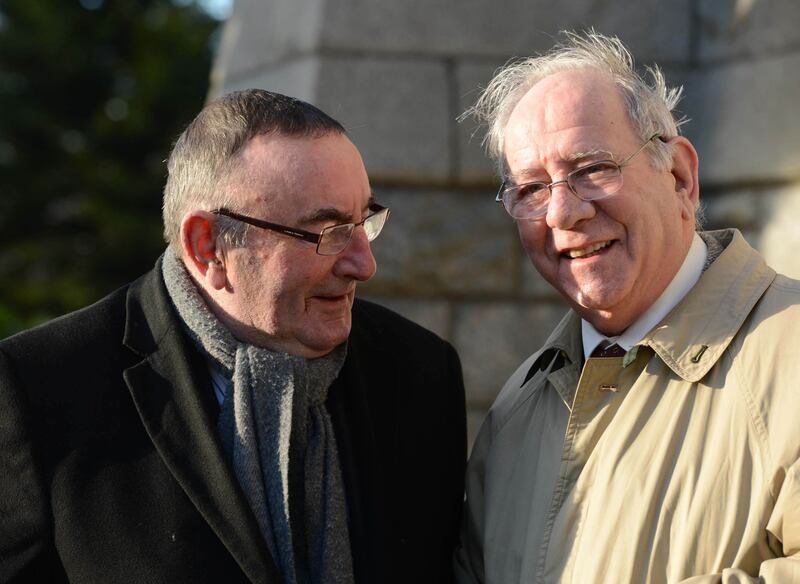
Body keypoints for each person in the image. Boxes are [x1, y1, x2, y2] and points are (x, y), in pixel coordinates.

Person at [0, 89, 466, 584]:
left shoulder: (419, 373)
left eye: (363, 222)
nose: (363, 264)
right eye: (326, 232)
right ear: (208, 246)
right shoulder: (38, 391)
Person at [455, 31, 800, 583]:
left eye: (591, 169)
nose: (563, 213)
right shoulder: (516, 410)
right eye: (531, 189)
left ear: (680, 176)